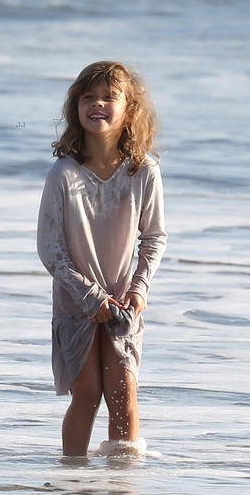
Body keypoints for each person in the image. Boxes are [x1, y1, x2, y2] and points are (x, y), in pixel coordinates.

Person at [37, 61, 167, 458]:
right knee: (88, 394)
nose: (98, 105)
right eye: (88, 97)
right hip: (76, 304)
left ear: (129, 108)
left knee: (123, 392)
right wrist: (88, 296)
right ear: (75, 107)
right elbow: (50, 248)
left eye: (110, 97)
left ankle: (120, 490)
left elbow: (154, 237)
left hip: (123, 300)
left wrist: (140, 288)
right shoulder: (64, 173)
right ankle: (71, 478)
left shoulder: (143, 171)